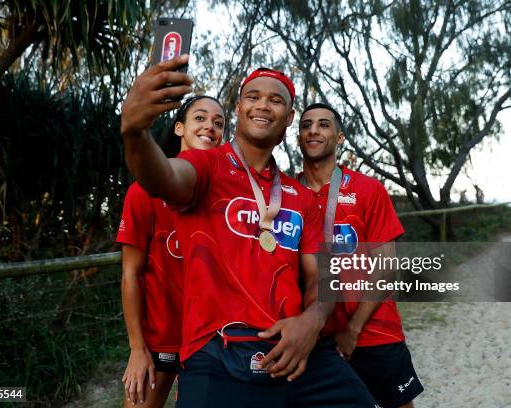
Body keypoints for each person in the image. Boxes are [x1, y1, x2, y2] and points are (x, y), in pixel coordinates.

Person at [120, 55, 375, 407]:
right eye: (253, 97)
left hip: (298, 352)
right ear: (239, 108)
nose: (262, 105)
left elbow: (322, 277)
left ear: (288, 120)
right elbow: (163, 177)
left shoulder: (299, 196)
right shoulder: (205, 165)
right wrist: (135, 132)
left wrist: (312, 321)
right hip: (217, 355)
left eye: (275, 100)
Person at [297, 103, 424, 408]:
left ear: (339, 137)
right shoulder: (287, 194)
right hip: (315, 338)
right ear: (298, 136)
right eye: (306, 125)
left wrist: (353, 330)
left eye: (324, 124)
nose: (313, 130)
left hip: (373, 332)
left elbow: (386, 266)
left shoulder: (368, 190)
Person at [116, 95, 225, 406]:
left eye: (218, 123)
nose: (210, 127)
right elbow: (131, 274)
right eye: (200, 118)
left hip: (213, 342)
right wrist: (137, 348)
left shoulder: (228, 199)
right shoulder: (143, 193)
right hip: (160, 340)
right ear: (179, 128)